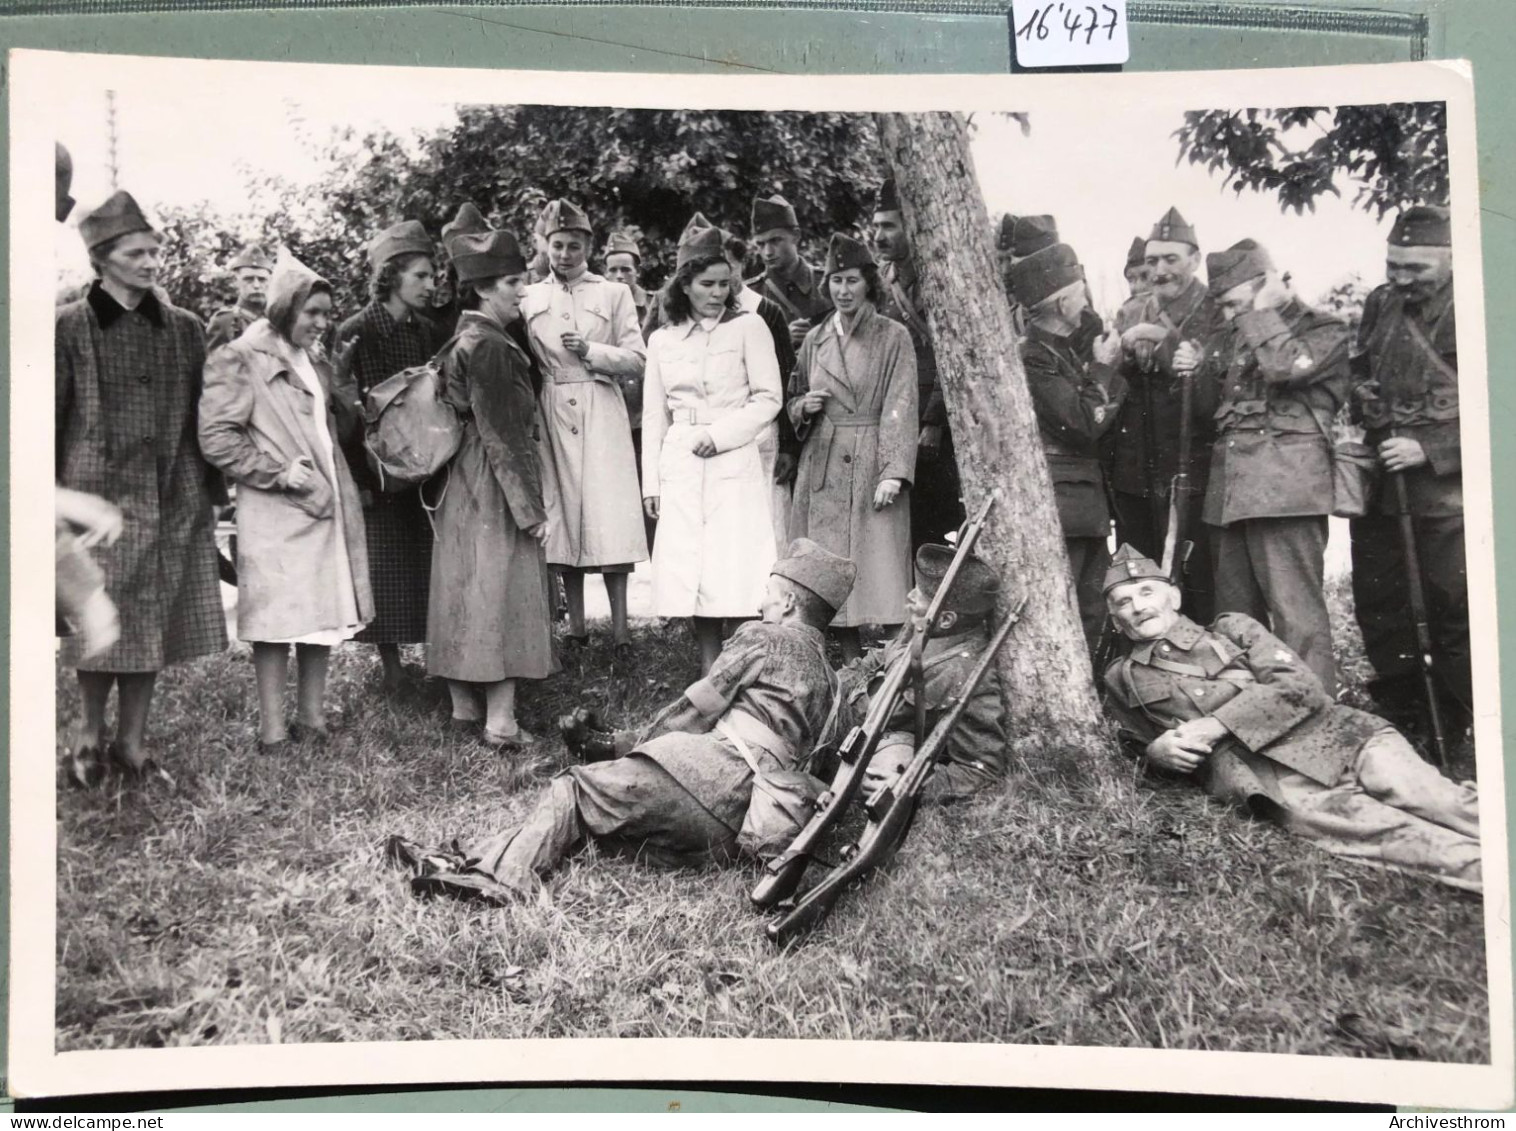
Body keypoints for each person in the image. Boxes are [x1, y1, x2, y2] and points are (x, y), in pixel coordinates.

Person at [391, 539, 855, 904]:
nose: (760, 605)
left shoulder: (766, 638)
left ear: (790, 603)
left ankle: (499, 880)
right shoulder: (834, 685)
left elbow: (692, 713)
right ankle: (456, 860)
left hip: (711, 778)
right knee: (596, 821)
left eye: (768, 596)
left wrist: (619, 747)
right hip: (739, 830)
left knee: (573, 788)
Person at [1101, 545, 1481, 892]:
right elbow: (1128, 743)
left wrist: (1216, 724)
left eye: (1147, 592)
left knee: (1438, 799)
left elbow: (1300, 686)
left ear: (1175, 597)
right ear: (1116, 620)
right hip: (1269, 777)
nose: (1138, 606)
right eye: (1123, 602)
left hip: (1341, 736)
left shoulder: (1232, 629)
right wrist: (1155, 752)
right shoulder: (1121, 678)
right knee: (1393, 836)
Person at [56, 189, 228, 785]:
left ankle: (131, 743)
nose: (153, 263)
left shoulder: (184, 328)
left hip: (171, 495)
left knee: (150, 618)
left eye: (156, 251)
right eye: (137, 253)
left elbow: (203, 415)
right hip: (97, 500)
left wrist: (208, 494)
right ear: (103, 259)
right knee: (100, 614)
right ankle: (86, 735)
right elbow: (51, 418)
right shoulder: (71, 326)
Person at [200, 252, 373, 750]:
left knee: (321, 612)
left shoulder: (311, 358)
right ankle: (273, 733)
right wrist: (279, 473)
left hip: (321, 502)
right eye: (312, 312)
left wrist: (340, 390)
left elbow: (328, 430)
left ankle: (312, 721)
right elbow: (216, 438)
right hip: (275, 506)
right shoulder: (240, 356)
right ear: (283, 308)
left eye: (326, 312)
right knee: (275, 621)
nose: (322, 323)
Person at [427, 228, 558, 749]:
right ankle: (501, 722)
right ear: (482, 289)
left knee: (465, 588)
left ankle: (463, 708)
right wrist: (532, 511)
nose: (522, 290)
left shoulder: (462, 338)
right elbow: (505, 437)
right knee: (504, 590)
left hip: (462, 480)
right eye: (511, 281)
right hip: (495, 483)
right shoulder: (492, 347)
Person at [1202, 239, 1351, 693]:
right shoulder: (1238, 334)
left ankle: (1315, 724)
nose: (1229, 317)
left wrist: (1262, 311)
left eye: (1233, 304)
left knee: (1296, 618)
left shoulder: (1324, 329)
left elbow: (1285, 368)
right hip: (1230, 495)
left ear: (1263, 285)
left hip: (1286, 493)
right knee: (1234, 621)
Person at [1348, 205, 1470, 743]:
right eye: (1393, 264)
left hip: (1449, 494)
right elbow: (1358, 369)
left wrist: (1432, 447)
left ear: (1451, 256)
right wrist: (1362, 396)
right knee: (1382, 604)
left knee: (1454, 608)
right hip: (1383, 482)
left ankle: (1464, 723)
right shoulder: (1381, 302)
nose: (1399, 278)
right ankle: (1407, 722)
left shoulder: (1483, 302)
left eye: (1415, 268)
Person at [642, 216, 783, 675]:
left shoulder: (749, 328)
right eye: (707, 284)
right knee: (696, 569)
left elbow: (769, 399)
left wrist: (721, 436)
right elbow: (654, 414)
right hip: (681, 459)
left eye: (725, 284)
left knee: (737, 565)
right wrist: (651, 484)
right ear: (685, 285)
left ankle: (740, 668)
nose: (718, 293)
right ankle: (708, 668)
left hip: (731, 457)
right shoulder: (663, 340)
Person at [522, 199, 649, 653]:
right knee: (566, 518)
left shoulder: (612, 294)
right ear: (545, 245)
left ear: (589, 246)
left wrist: (593, 350)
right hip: (552, 407)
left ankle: (620, 629)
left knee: (609, 517)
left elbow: (637, 359)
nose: (565, 255)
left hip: (600, 404)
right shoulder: (531, 297)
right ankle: (576, 627)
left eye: (574, 245)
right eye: (557, 245)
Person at [787, 233, 918, 662]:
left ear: (869, 284)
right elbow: (794, 392)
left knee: (883, 567)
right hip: (824, 460)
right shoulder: (816, 338)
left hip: (872, 460)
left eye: (852, 281)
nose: (843, 291)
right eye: (835, 281)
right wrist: (801, 407)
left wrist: (894, 471)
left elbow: (901, 402)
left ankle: (897, 661)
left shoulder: (891, 335)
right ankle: (849, 663)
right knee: (833, 568)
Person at [333, 219, 442, 693]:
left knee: (425, 560)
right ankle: (391, 664)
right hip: (375, 469)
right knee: (385, 563)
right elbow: (342, 412)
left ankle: (433, 656)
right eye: (420, 276)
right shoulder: (356, 331)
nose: (431, 285)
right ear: (391, 276)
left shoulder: (428, 331)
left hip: (426, 463)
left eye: (432, 275)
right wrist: (358, 479)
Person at [1107, 207, 1227, 623]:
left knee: (1196, 583)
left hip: (1193, 472)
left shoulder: (1216, 311)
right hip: (1137, 473)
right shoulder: (1129, 313)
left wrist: (1164, 342)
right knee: (1140, 580)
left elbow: (1216, 395)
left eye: (1171, 259)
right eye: (1153, 260)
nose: (1159, 270)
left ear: (1194, 260)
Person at [1010, 243, 1127, 651]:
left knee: (1092, 607)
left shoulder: (1058, 352)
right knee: (1076, 606)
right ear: (1061, 303)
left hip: (1081, 503)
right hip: (1064, 505)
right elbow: (1080, 423)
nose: (1086, 299)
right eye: (1080, 290)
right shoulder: (1032, 358)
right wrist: (1103, 370)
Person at [851, 543, 1008, 804]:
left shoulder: (966, 672)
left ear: (946, 619)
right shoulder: (926, 628)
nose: (911, 596)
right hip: (856, 721)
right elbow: (880, 659)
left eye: (921, 593)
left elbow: (980, 767)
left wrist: (910, 785)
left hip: (882, 745)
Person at [871, 178, 964, 549]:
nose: (879, 235)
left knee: (934, 521)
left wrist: (934, 421)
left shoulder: (939, 280)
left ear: (912, 226)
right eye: (876, 225)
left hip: (932, 423)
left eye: (889, 226)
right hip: (893, 415)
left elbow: (951, 354)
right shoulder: (881, 280)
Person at [746, 193, 833, 350]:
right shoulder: (750, 294)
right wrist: (783, 340)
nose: (768, 252)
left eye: (775, 241)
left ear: (796, 236)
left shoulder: (829, 283)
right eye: (760, 244)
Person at [205, 246, 273, 353]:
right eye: (248, 279)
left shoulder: (277, 320)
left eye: (262, 279)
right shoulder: (224, 322)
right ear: (236, 281)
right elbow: (212, 366)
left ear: (270, 281)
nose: (256, 285)